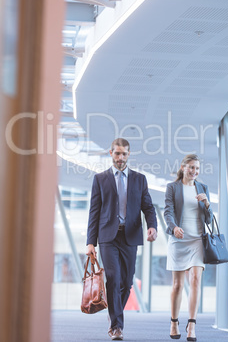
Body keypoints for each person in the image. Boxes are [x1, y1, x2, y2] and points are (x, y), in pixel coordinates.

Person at [86, 138, 157, 341]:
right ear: (111, 154)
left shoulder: (139, 179)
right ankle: (116, 326)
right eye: (117, 153)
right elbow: (94, 212)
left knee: (126, 282)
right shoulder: (100, 179)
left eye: (124, 154)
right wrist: (90, 242)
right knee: (114, 278)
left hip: (130, 236)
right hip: (108, 236)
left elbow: (148, 207)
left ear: (129, 155)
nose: (120, 157)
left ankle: (113, 315)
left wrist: (152, 226)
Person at [164, 154, 213, 342]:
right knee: (177, 285)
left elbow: (209, 219)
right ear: (183, 167)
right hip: (178, 238)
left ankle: (191, 324)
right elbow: (168, 211)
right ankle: (174, 322)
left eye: (197, 169)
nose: (194, 172)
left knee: (195, 280)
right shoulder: (173, 188)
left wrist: (207, 204)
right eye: (191, 167)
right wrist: (174, 227)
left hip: (197, 240)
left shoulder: (202, 188)